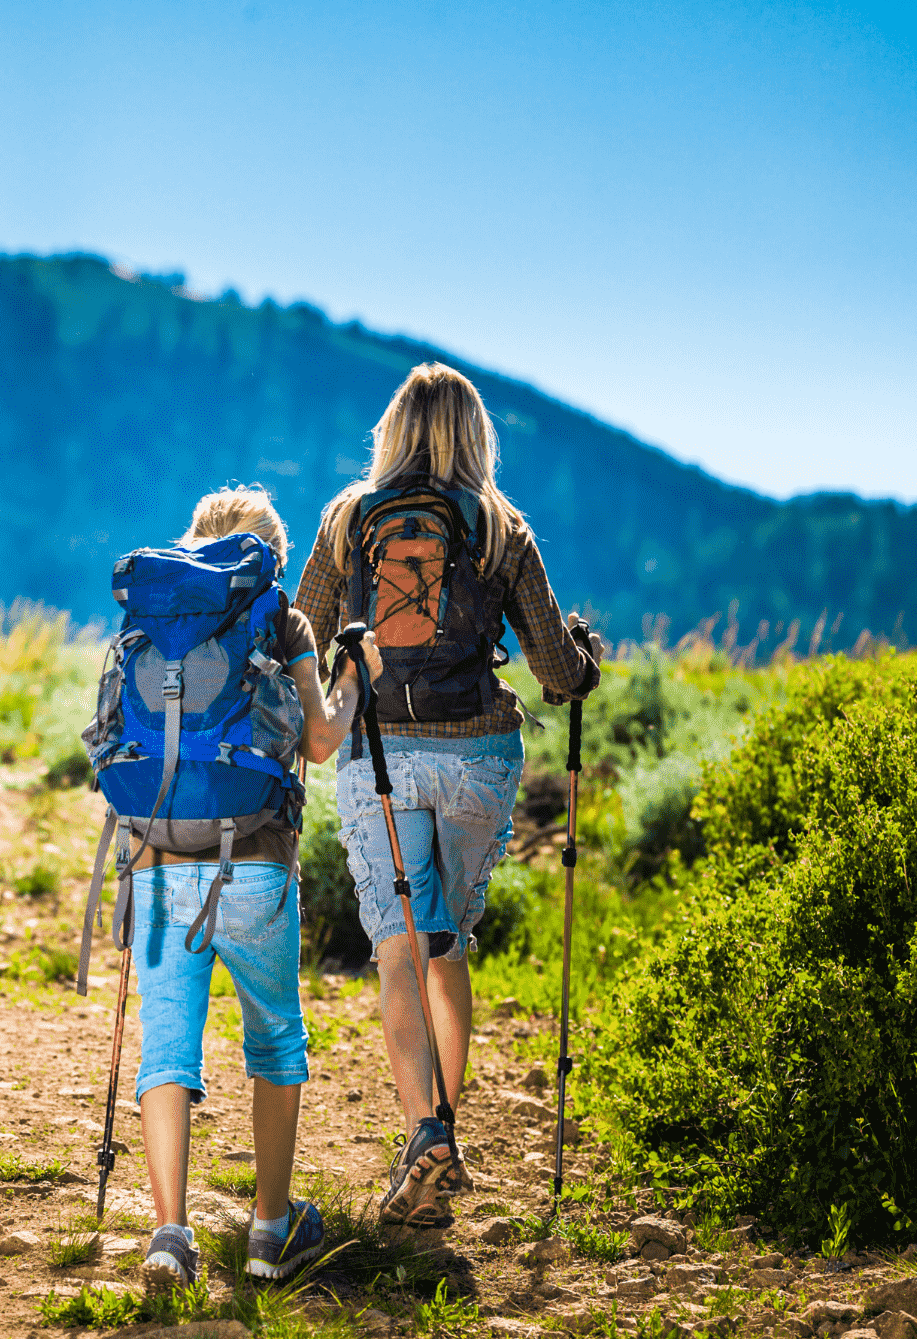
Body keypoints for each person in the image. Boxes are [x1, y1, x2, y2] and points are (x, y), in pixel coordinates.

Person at [294, 362, 601, 1228]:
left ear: (392, 428)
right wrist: (587, 657)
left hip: (376, 757)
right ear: (476, 436)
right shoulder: (503, 528)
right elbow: (554, 674)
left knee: (395, 948)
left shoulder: (349, 520)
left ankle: (423, 1131)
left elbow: (305, 634)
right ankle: (445, 1130)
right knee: (443, 944)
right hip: (477, 757)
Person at [113, 487, 382, 1294]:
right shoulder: (280, 616)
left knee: (166, 1043)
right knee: (274, 1038)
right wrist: (353, 674)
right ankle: (270, 1230)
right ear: (268, 555)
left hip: (157, 857)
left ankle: (169, 1234)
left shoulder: (154, 611)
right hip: (258, 857)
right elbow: (323, 738)